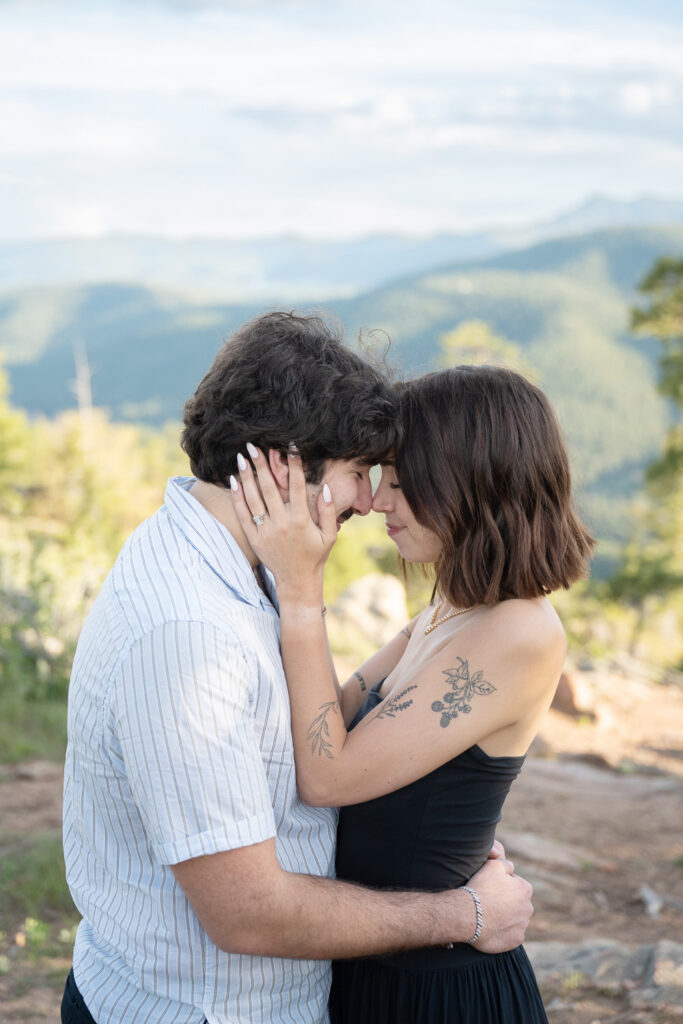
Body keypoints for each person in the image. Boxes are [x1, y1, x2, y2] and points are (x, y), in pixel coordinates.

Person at [61, 315, 535, 1024]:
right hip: (205, 1010)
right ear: (283, 468)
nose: (368, 500)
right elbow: (248, 913)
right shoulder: (189, 635)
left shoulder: (238, 564)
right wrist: (464, 913)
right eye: (357, 473)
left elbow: (313, 737)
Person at [231, 362, 595, 1024]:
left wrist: (302, 588)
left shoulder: (518, 631)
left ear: (469, 481)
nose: (378, 503)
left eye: (400, 483)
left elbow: (328, 775)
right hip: (377, 956)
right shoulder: (450, 607)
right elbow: (332, 717)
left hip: (438, 989)